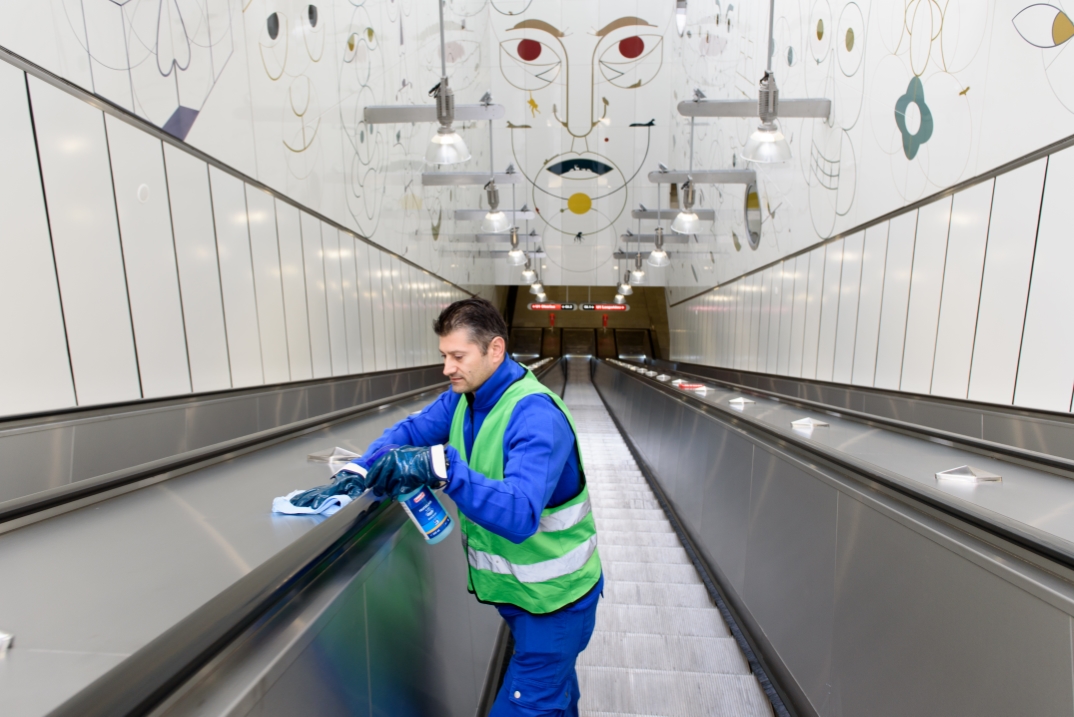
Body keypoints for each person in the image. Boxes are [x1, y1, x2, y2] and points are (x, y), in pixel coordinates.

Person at [353, 297, 602, 717]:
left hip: (557, 604)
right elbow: (413, 429)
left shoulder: (535, 415)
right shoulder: (464, 399)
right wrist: (360, 469)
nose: (447, 367)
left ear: (495, 349)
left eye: (457, 356)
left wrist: (446, 471)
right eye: (444, 356)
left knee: (530, 705)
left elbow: (521, 512)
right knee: (556, 700)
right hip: (522, 599)